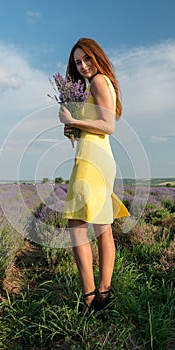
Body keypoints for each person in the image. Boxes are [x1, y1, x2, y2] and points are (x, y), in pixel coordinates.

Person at [59, 37, 129, 311]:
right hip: (93, 157)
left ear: (97, 56)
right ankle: (102, 295)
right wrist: (73, 130)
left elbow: (108, 125)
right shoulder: (94, 85)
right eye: (78, 62)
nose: (84, 65)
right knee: (100, 227)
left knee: (78, 226)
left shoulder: (100, 81)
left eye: (87, 58)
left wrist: (73, 120)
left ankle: (91, 296)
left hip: (93, 162)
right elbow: (95, 127)